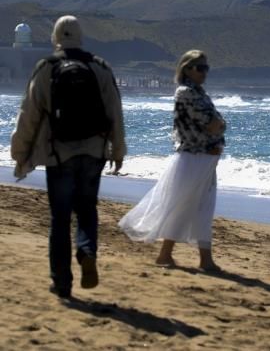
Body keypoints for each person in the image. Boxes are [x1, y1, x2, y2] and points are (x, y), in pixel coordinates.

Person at [11, 15, 126, 299]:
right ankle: (86, 251)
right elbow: (115, 113)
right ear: (81, 36)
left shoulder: (46, 68)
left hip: (58, 154)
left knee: (59, 218)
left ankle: (61, 282)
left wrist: (20, 153)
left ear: (55, 38)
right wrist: (118, 151)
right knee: (87, 210)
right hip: (94, 152)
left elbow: (29, 115)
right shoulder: (99, 68)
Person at [119, 49, 226, 271]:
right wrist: (218, 125)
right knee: (184, 206)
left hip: (204, 158)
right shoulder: (187, 93)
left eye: (207, 68)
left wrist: (218, 125)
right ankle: (172, 255)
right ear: (187, 69)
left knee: (200, 207)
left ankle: (198, 258)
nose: (204, 72)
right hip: (193, 157)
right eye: (200, 68)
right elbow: (211, 122)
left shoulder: (198, 92)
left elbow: (218, 123)